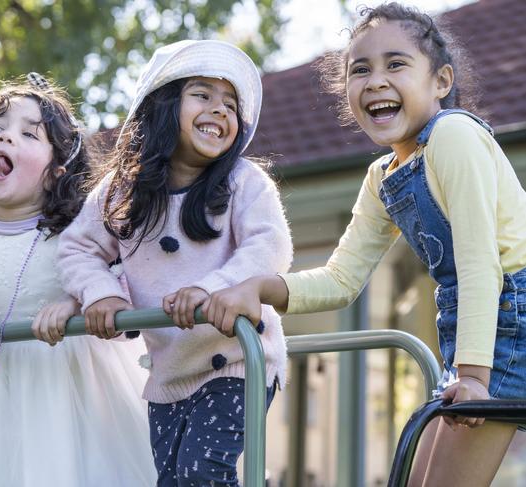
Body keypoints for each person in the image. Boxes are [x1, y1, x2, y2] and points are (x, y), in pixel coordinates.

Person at [201, 4, 526, 487]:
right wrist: (258, 288)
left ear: (441, 82)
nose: (375, 80)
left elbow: (480, 263)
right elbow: (340, 280)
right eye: (360, 69)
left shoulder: (454, 136)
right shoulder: (383, 178)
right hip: (473, 333)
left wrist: (474, 376)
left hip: (508, 315)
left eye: (396, 64)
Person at [58, 40, 293, 486]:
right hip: (169, 373)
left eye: (230, 104)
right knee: (170, 480)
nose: (220, 110)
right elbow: (77, 249)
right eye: (203, 95)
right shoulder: (121, 193)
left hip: (239, 359)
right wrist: (102, 293)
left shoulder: (244, 182)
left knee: (202, 472)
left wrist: (212, 289)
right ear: (165, 106)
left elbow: (270, 247)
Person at [0, 74, 156, 486]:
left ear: (55, 172)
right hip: (2, 395)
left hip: (80, 390)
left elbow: (121, 285)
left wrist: (77, 305)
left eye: (28, 134)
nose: (6, 138)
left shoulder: (79, 229)